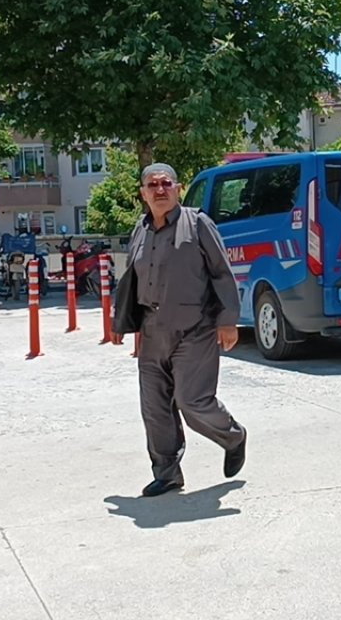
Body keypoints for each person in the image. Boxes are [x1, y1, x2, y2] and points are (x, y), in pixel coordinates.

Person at [111, 162, 247, 498]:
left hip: (194, 328)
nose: (160, 190)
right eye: (152, 185)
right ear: (142, 193)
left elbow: (221, 272)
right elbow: (133, 280)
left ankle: (232, 435)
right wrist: (121, 321)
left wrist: (227, 320)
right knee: (155, 408)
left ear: (178, 188)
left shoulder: (198, 223)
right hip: (152, 330)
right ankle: (167, 473)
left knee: (192, 401)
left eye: (166, 184)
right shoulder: (139, 230)